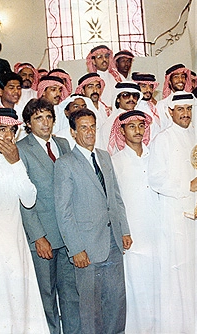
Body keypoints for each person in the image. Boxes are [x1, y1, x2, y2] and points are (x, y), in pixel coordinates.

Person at [148, 91, 197, 333]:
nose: (184, 114)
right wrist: (187, 186)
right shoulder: (162, 139)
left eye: (187, 109)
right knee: (180, 269)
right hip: (175, 214)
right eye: (179, 109)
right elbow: (155, 179)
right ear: (171, 112)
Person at [54, 108, 132, 334]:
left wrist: (124, 230)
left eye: (92, 127)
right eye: (84, 128)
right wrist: (75, 249)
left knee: (117, 303)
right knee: (91, 309)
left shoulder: (104, 156)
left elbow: (115, 196)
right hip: (86, 248)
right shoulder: (65, 163)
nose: (89, 132)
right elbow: (64, 211)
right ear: (73, 132)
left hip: (113, 242)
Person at [0, 107, 49, 333]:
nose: (8, 136)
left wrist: (15, 163)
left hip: (16, 245)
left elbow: (29, 199)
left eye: (12, 130)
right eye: (2, 130)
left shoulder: (13, 160)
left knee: (20, 306)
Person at [17, 98, 80, 334]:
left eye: (48, 117)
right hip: (43, 239)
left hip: (68, 237)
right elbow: (23, 199)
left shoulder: (64, 144)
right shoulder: (21, 150)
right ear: (28, 124)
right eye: (38, 119)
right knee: (46, 297)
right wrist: (38, 237)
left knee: (71, 295)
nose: (45, 123)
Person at [110, 110, 161, 333]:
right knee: (137, 286)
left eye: (141, 126)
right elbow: (115, 201)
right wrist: (123, 231)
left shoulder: (156, 156)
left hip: (159, 230)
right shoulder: (115, 161)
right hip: (133, 234)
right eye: (132, 126)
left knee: (160, 283)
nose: (138, 130)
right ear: (122, 131)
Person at [156, 63, 193, 129]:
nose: (180, 80)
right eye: (176, 77)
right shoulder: (161, 105)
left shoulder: (193, 100)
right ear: (169, 81)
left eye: (183, 76)